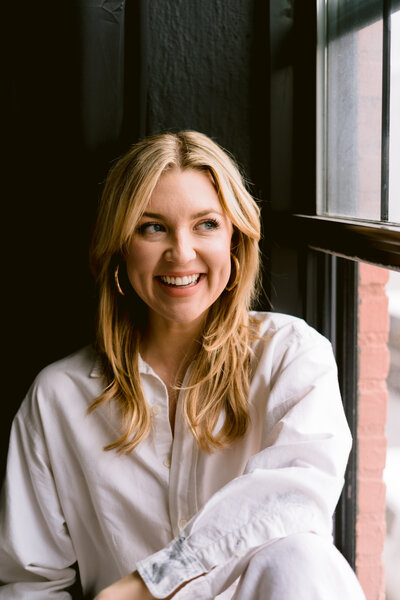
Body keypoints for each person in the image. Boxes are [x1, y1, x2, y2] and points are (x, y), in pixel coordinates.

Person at [0, 131, 366, 599]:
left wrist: (145, 587)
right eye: (152, 227)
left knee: (303, 558)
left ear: (235, 240)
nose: (182, 252)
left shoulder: (291, 356)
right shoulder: (58, 397)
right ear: (119, 246)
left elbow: (294, 500)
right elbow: (30, 584)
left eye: (206, 224)